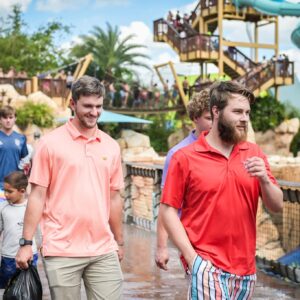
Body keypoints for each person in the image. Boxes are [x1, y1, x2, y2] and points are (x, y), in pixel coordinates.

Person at [159, 81, 283, 299]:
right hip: (207, 264)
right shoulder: (185, 157)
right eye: (237, 111)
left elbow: (276, 205)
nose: (244, 118)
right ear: (216, 111)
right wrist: (192, 259)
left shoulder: (253, 152)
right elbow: (168, 209)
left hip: (245, 269)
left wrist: (264, 178)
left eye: (247, 112)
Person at [16, 75, 124, 300]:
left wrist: (119, 241)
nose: (94, 112)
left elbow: (115, 198)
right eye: (87, 106)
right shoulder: (50, 144)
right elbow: (36, 195)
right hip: (61, 249)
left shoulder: (111, 146)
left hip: (103, 249)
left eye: (98, 106)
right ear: (73, 104)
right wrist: (26, 243)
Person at [155, 89, 212, 271]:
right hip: (192, 238)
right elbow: (167, 203)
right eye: (209, 118)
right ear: (195, 118)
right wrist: (162, 247)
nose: (214, 123)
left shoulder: (227, 148)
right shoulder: (177, 154)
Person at [0, 171, 38, 288]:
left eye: (9, 191)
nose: (5, 194)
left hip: (30, 255)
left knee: (27, 285)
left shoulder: (31, 207)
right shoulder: (3, 207)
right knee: (8, 287)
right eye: (4, 190)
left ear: (22, 191)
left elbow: (39, 229)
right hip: (8, 256)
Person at [0, 106, 28, 191]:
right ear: (0, 119)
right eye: (5, 117)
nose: (8, 120)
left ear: (15, 118)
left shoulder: (21, 138)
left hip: (16, 186)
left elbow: (24, 162)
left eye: (10, 117)